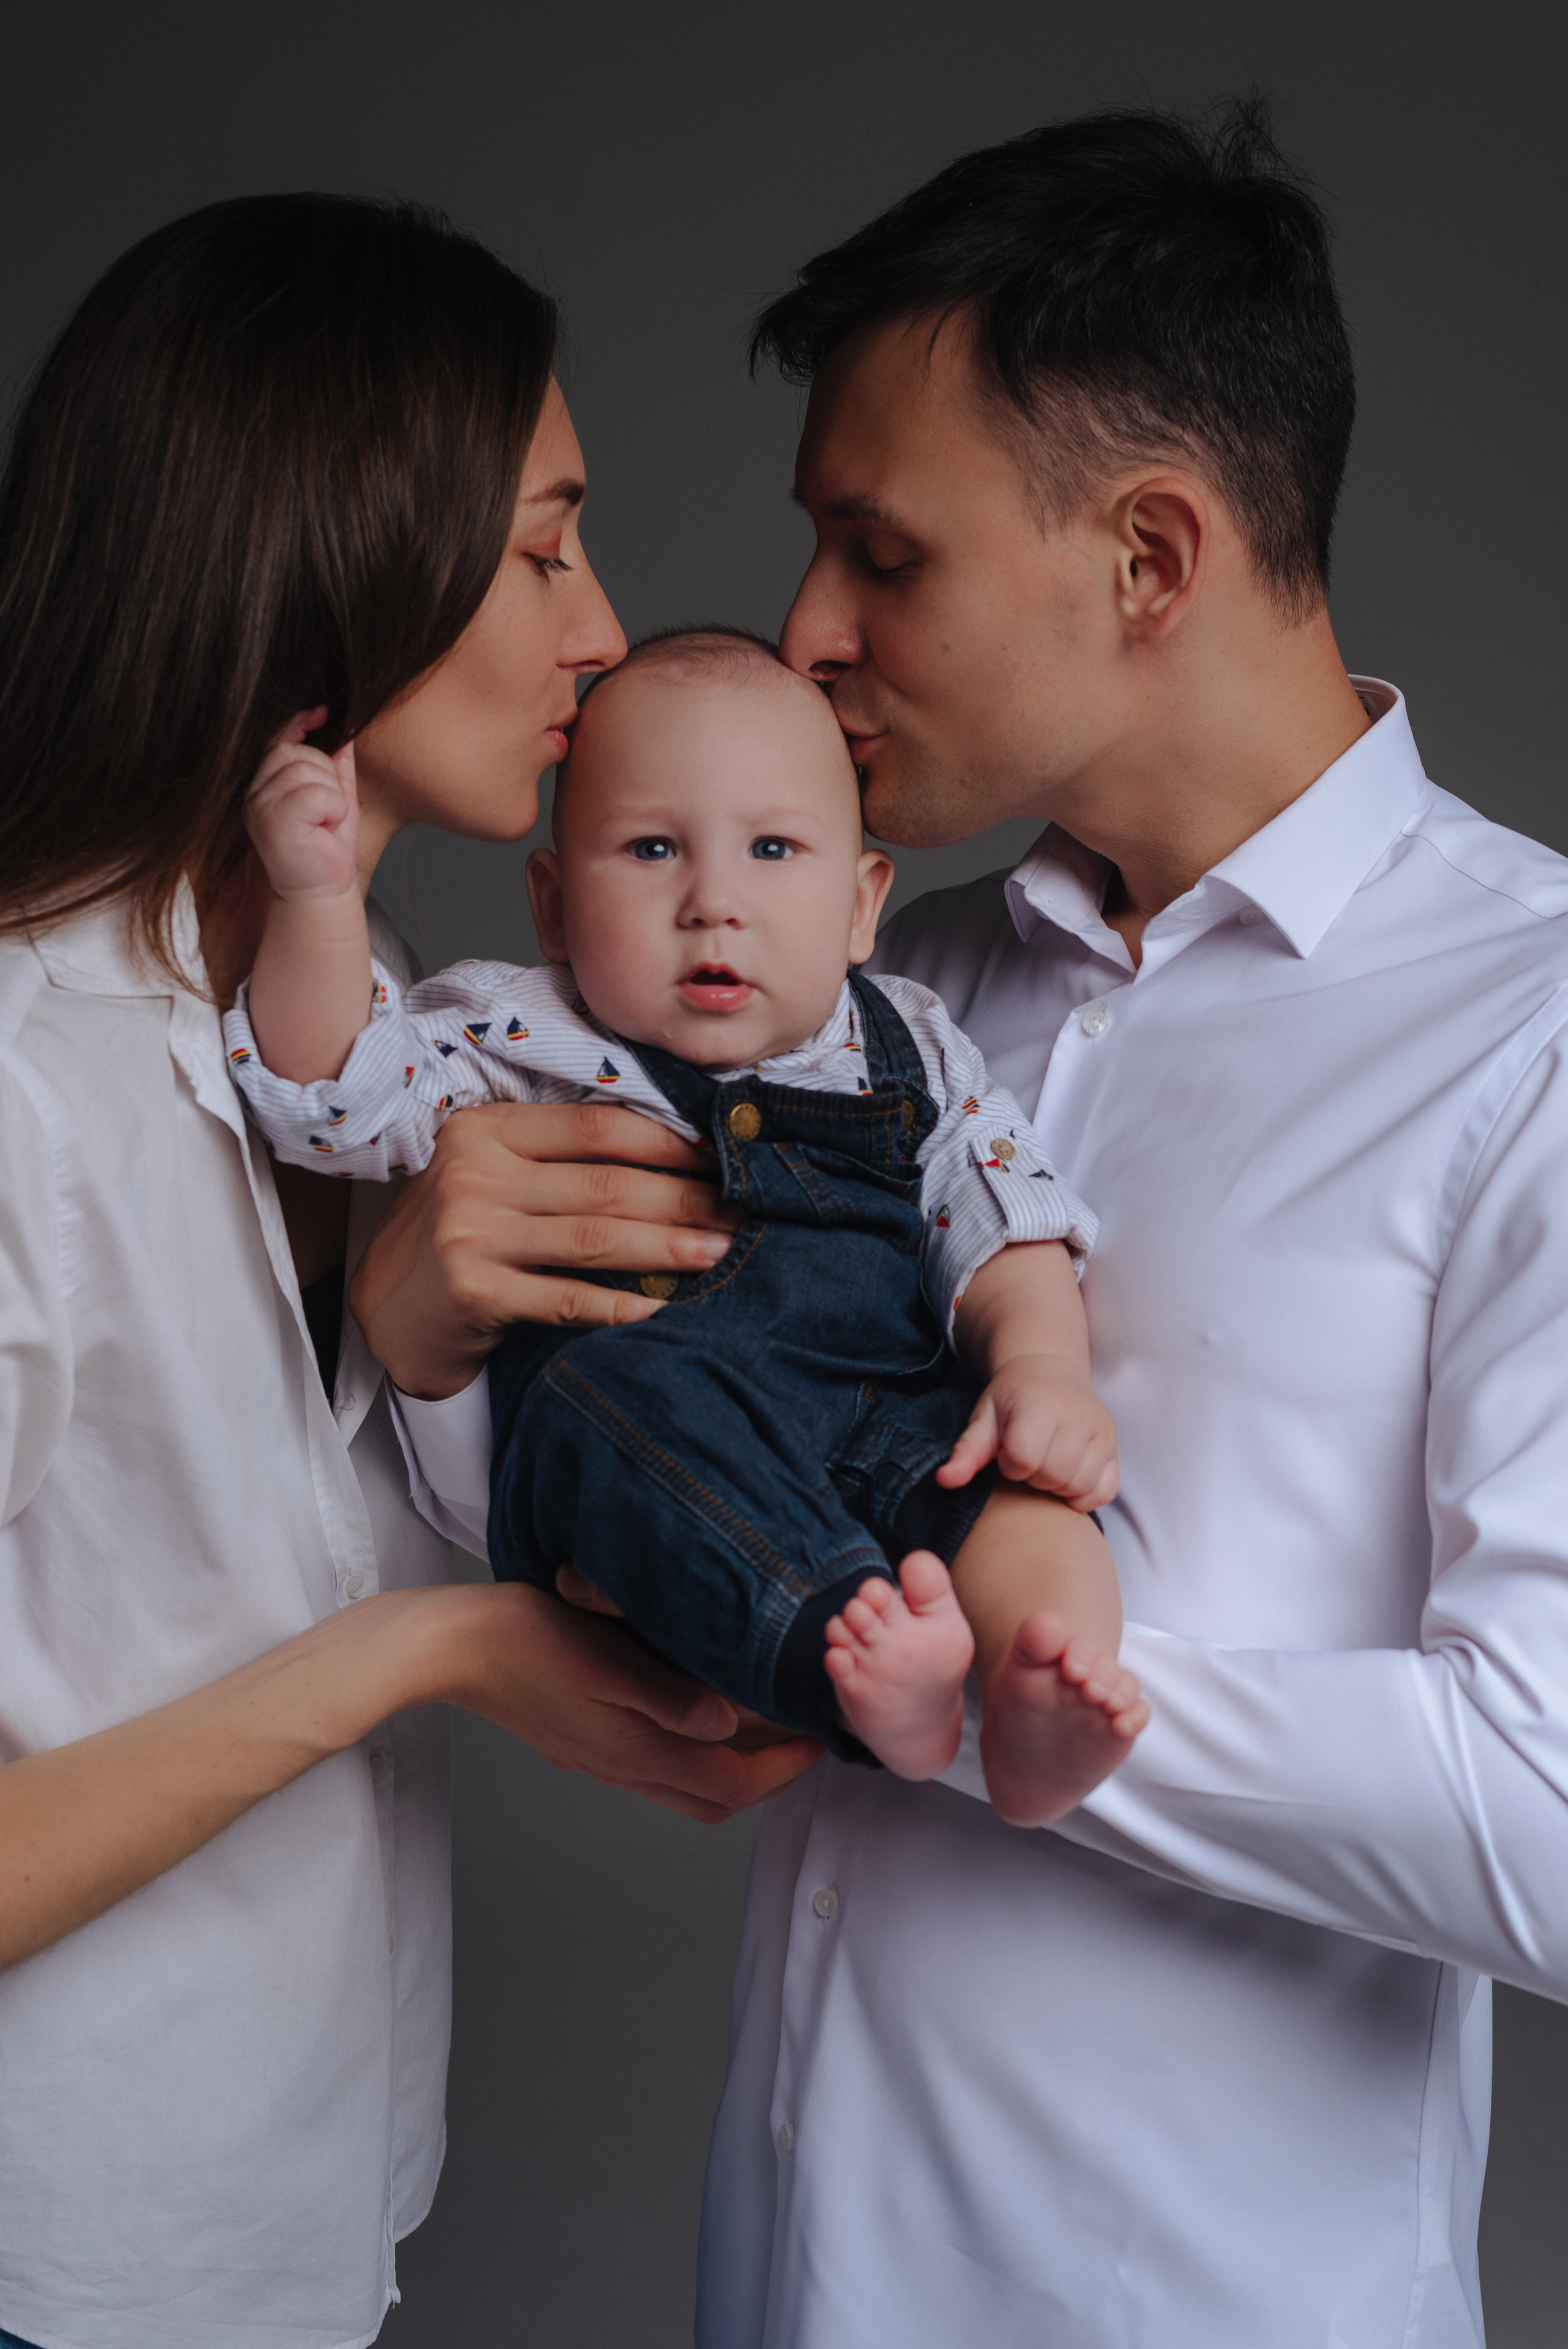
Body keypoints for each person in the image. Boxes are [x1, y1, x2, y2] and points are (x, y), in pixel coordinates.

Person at [358, 103, 1568, 2345]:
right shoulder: (879, 1001)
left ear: (1150, 555)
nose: (800, 629)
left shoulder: (1537, 1034)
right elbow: (603, 1479)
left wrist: (987, 1698)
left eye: (877, 554)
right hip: (785, 2265)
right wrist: (432, 1346)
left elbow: (1555, 1812)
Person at [0, 194, 811, 2349]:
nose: (603, 629)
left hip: (291, 2235)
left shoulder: (372, 1067)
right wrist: (437, 1653)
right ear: (329, 538)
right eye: (546, 544)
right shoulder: (23, 1080)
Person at [225, 624, 1146, 1819]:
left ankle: (1042, 1691)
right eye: (652, 848)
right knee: (626, 1417)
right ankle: (857, 1677)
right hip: (650, 1434)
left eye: (772, 848)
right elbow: (333, 1106)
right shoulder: (510, 1033)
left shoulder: (906, 1037)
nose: (713, 903)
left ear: (861, 904)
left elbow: (1001, 1209)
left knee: (1019, 1495)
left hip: (877, 1413)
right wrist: (315, 898)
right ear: (552, 908)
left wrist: (1039, 1370)